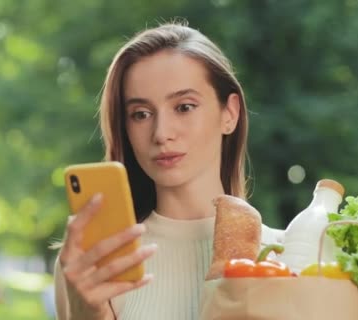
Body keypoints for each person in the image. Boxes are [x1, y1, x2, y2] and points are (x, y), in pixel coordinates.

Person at [54, 21, 283, 320]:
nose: (161, 133)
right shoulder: (94, 266)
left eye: (184, 107)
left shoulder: (287, 255)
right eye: (141, 114)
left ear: (230, 113)